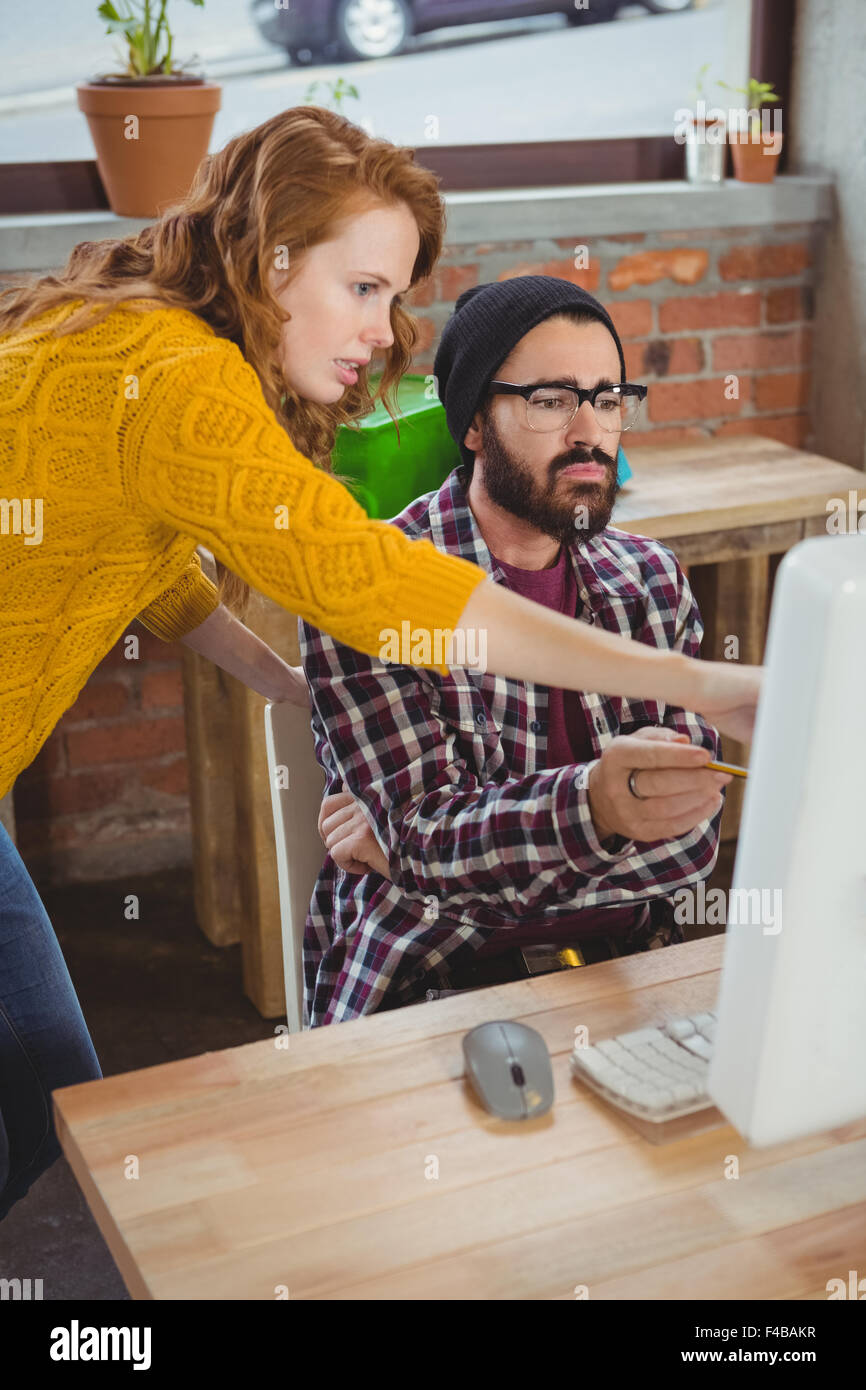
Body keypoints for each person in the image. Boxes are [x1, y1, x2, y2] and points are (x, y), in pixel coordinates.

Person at [0, 107, 759, 1219]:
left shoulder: (121, 336)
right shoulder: (178, 376)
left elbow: (140, 563)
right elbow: (379, 588)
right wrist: (707, 688)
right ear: (268, 259)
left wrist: (296, 691)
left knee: (46, 1104)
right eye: (362, 288)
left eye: (395, 297)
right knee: (53, 1125)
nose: (382, 330)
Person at [301, 278, 732, 1025]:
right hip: (435, 984)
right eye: (550, 400)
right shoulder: (371, 584)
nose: (589, 431)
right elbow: (428, 841)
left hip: (628, 968)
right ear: (472, 423)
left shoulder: (650, 578)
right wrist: (599, 807)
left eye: (606, 398)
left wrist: (421, 860)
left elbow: (691, 848)